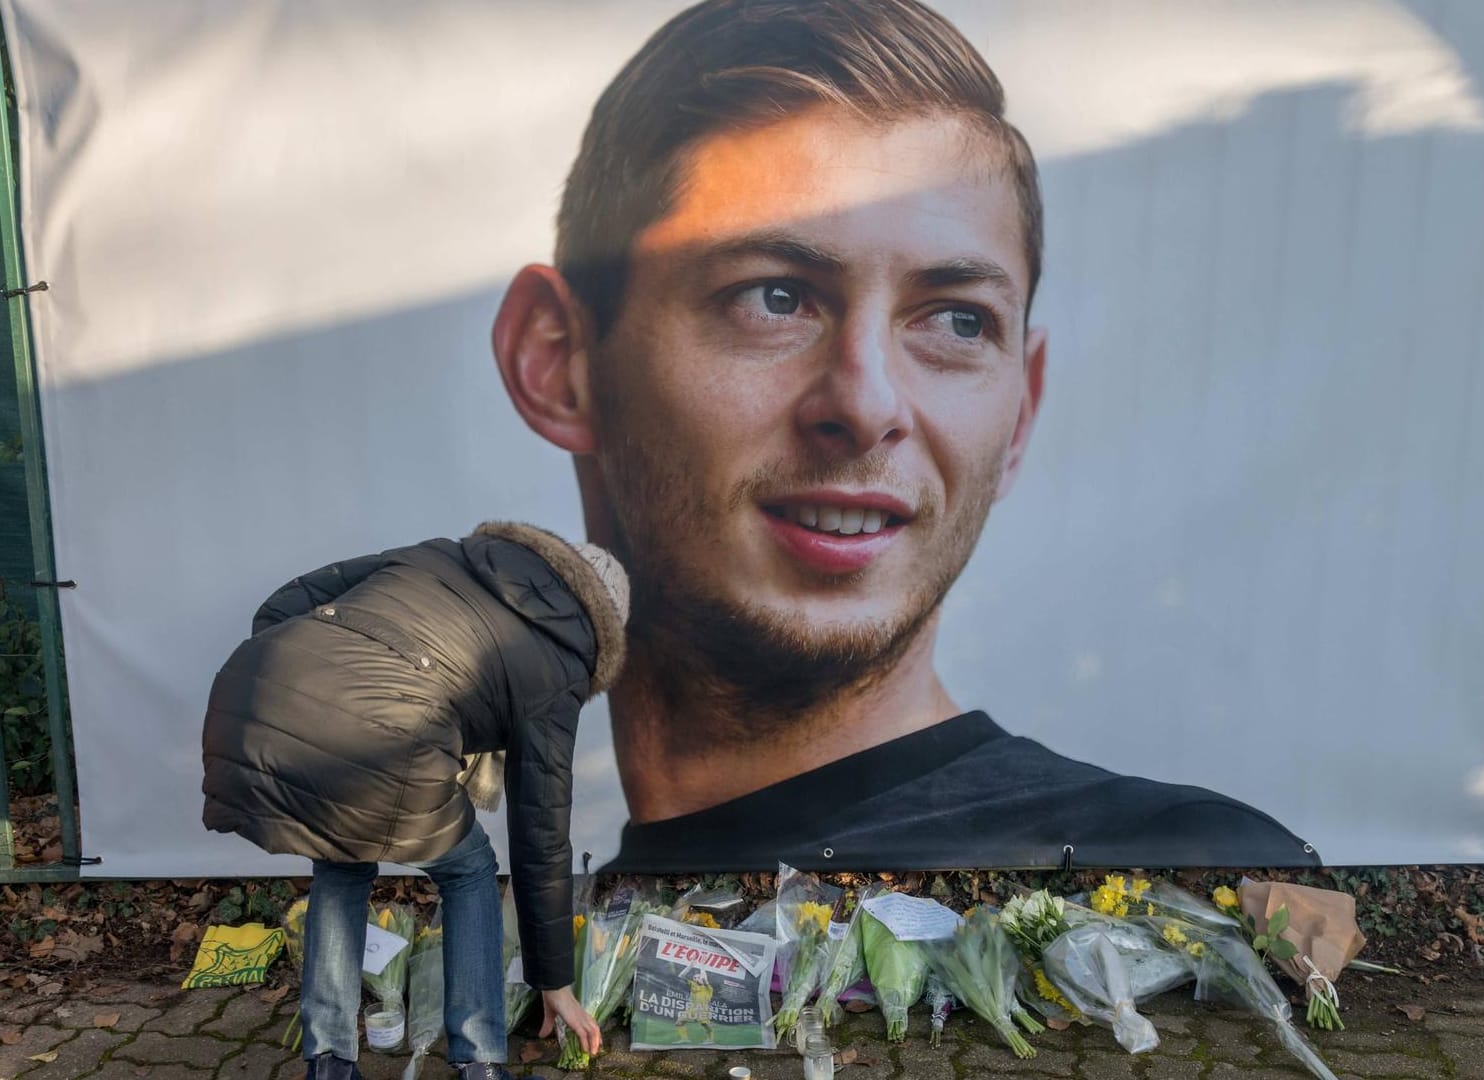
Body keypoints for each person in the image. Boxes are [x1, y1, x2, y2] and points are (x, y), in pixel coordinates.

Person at [492, 0, 1317, 872]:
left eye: (959, 322)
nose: (868, 404)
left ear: (1021, 411)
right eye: (772, 296)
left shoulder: (1197, 884)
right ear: (559, 361)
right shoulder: (526, 950)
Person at [200, 523, 627, 1079]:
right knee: (470, 869)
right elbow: (540, 833)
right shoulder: (559, 663)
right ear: (602, 621)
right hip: (388, 729)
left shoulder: (440, 557)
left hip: (256, 694)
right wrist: (555, 982)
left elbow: (287, 602)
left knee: (342, 857)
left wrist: (314, 685)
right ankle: (479, 1060)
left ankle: (328, 1061)